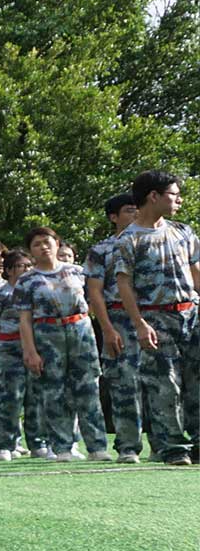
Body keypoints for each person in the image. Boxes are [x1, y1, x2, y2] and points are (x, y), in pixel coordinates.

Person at [113, 170, 200, 464]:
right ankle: (173, 447)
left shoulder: (183, 231)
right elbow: (124, 284)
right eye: (173, 195)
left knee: (196, 380)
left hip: (191, 313)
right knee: (165, 384)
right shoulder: (129, 239)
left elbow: (196, 273)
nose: (179, 200)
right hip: (156, 317)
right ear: (154, 197)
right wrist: (139, 324)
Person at [14, 227, 108, 461]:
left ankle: (97, 447)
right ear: (31, 251)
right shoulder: (27, 281)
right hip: (47, 335)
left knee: (88, 389)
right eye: (37, 244)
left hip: (80, 332)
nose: (44, 247)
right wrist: (30, 351)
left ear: (57, 243)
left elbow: (95, 300)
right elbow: (24, 320)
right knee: (54, 393)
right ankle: (63, 447)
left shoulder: (77, 272)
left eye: (47, 241)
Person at [85, 191, 145, 463]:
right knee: (124, 385)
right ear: (114, 217)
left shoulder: (150, 242)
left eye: (138, 210)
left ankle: (165, 445)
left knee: (160, 384)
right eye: (130, 210)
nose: (136, 215)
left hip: (154, 318)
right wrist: (107, 328)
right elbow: (95, 293)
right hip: (119, 320)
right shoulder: (101, 250)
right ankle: (128, 447)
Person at [0, 248, 40, 459]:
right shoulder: (0, 294)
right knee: (10, 397)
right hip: (9, 349)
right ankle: (4, 445)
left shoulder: (36, 290)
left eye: (28, 265)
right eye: (20, 266)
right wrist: (1, 337)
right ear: (8, 270)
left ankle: (38, 443)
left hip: (34, 348)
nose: (25, 270)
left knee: (35, 397)